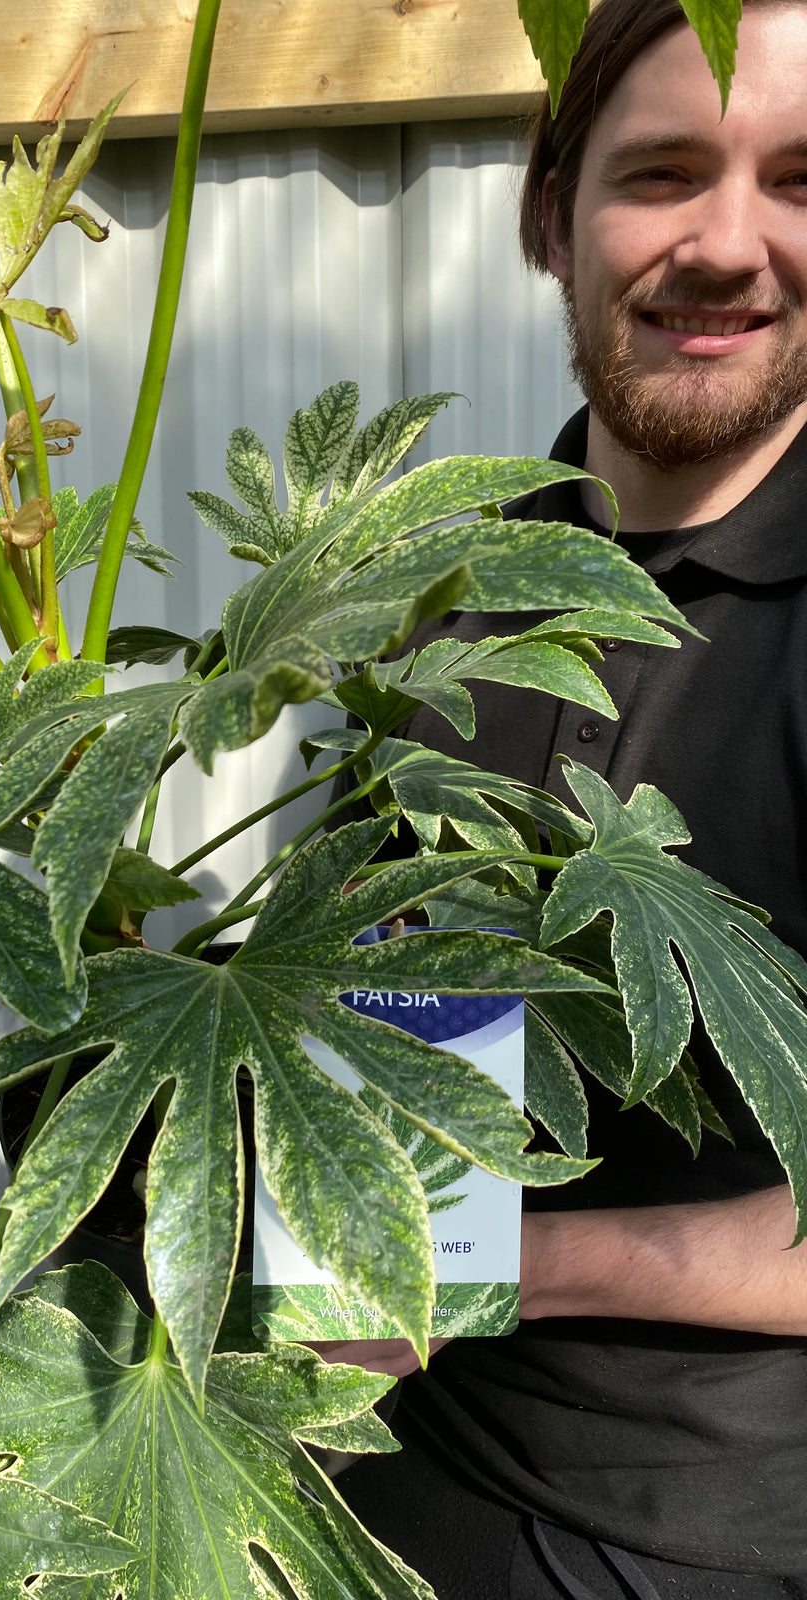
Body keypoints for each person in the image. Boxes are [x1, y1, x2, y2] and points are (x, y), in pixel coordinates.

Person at [324, 3, 807, 1595]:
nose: (729, 245)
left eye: (801, 183)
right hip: (380, 1458)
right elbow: (410, 1026)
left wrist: (510, 1267)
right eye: (664, 172)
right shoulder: (447, 588)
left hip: (691, 1524)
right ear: (553, 213)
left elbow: (458, 1255)